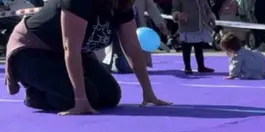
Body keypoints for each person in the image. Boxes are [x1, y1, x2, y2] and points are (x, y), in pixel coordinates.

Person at [4, 0, 170, 114]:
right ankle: (34, 94)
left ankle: (58, 87)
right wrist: (80, 99)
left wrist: (148, 93)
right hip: (33, 50)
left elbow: (132, 47)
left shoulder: (122, 4)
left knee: (110, 96)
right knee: (86, 97)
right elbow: (71, 47)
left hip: (67, 53)